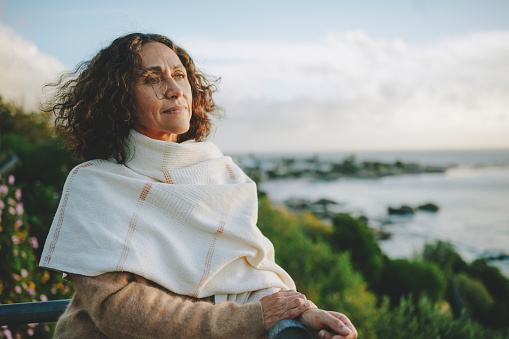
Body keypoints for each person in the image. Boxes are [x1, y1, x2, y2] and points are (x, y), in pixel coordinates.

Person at [40, 33, 358, 339]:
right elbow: (118, 310)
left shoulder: (222, 175)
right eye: (152, 78)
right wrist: (253, 319)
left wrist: (302, 312)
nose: (175, 89)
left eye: (179, 75)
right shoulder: (96, 183)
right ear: (119, 99)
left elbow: (248, 272)